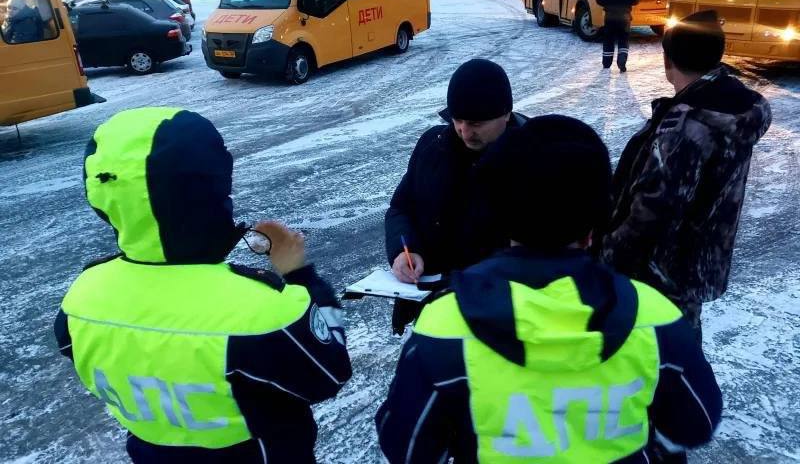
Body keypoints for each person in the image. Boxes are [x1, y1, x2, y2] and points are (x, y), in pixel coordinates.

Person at [376, 115, 722, 463]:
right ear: (593, 228)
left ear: (499, 216)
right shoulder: (655, 319)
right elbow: (697, 424)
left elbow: (406, 448)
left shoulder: (444, 325)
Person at [54, 107, 351, 463]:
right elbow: (330, 373)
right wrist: (300, 275)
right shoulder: (261, 312)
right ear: (211, 191)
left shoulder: (79, 301)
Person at [603, 10, 771, 342]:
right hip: (696, 263)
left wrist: (607, 256)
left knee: (661, 356)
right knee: (684, 345)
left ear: (668, 62)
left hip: (660, 273)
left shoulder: (688, 126)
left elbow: (653, 211)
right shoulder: (730, 107)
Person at [384, 58, 526, 333]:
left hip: (498, 318)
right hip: (430, 310)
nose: (463, 131)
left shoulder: (532, 159)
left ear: (506, 113)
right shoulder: (431, 147)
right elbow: (400, 208)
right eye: (457, 120)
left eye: (475, 123)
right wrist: (405, 250)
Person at [596, 0, 640, 72]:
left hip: (609, 16)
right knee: (623, 39)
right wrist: (628, 3)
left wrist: (608, 5)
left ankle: (606, 63)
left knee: (609, 39)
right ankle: (621, 61)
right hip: (625, 16)